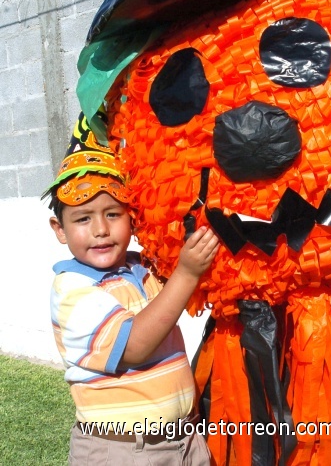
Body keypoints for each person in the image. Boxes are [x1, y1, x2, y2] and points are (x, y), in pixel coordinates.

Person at [46, 114, 219, 465]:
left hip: (185, 438)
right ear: (59, 229)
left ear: (132, 217)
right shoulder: (72, 292)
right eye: (82, 218)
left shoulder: (141, 267)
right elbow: (137, 346)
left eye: (113, 214)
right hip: (122, 450)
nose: (100, 229)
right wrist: (187, 272)